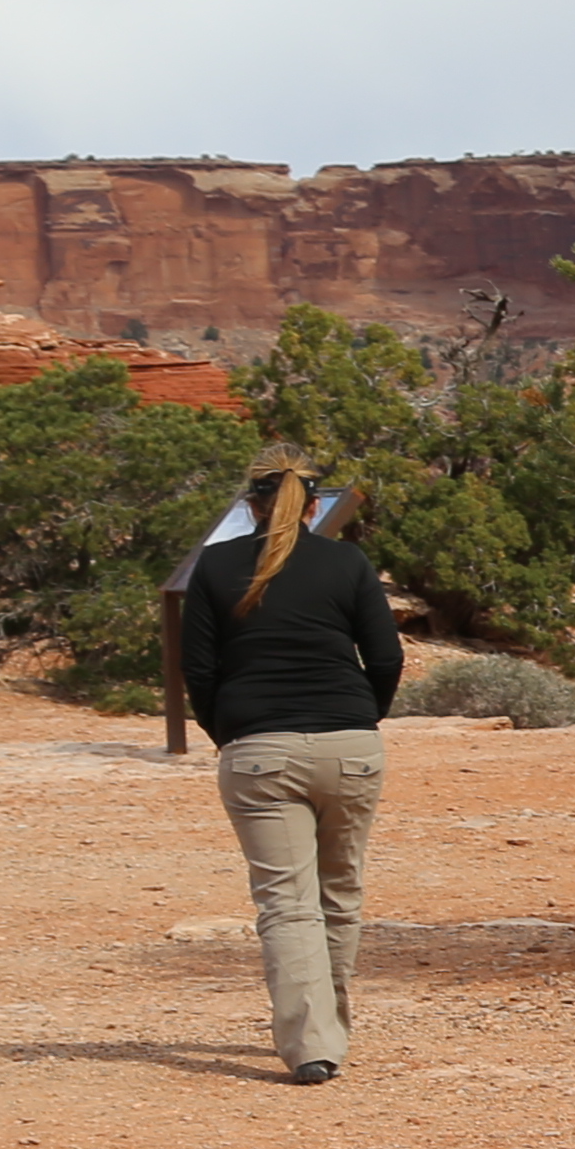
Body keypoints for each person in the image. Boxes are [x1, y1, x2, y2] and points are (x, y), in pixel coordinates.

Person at [180, 450, 404, 1085]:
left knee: (287, 901)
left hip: (260, 750)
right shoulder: (347, 562)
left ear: (249, 506)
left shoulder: (217, 565)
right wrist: (365, 717)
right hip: (351, 748)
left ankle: (312, 1044)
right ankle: (327, 1030)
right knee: (340, 893)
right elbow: (385, 656)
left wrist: (229, 733)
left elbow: (198, 668)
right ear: (314, 507)